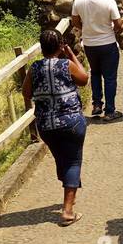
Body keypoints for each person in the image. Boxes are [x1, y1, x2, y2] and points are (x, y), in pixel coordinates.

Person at [22, 29, 89, 225]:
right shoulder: (66, 64)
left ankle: (70, 190)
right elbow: (84, 79)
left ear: (41, 48)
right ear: (60, 46)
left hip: (46, 125)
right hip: (71, 122)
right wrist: (71, 55)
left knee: (62, 160)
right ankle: (68, 211)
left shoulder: (34, 68)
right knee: (73, 162)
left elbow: (26, 93)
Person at [70, 0, 123, 119]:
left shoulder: (79, 1)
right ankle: (110, 111)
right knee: (110, 78)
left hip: (89, 44)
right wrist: (115, 30)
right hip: (108, 43)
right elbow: (118, 24)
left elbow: (75, 21)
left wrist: (87, 30)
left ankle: (96, 105)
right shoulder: (109, 1)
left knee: (95, 73)